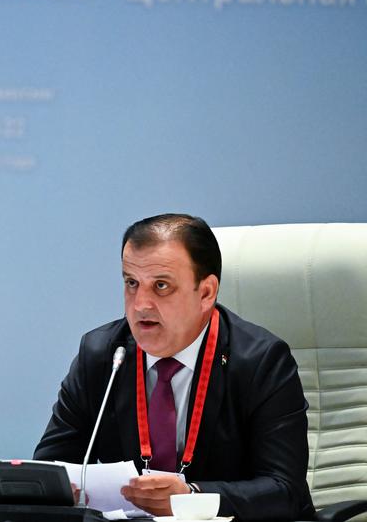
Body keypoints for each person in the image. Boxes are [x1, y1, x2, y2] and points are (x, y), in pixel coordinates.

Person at [34, 214, 315, 521]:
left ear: (206, 293)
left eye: (161, 286)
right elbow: (50, 470)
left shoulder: (261, 362)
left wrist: (191, 497)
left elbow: (284, 492)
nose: (140, 304)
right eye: (131, 283)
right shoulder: (103, 355)